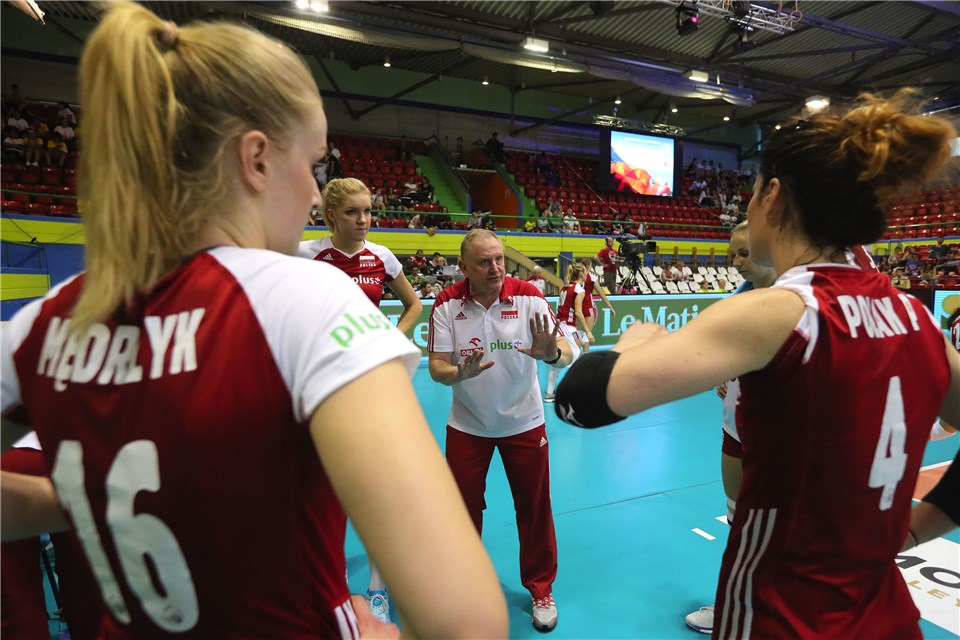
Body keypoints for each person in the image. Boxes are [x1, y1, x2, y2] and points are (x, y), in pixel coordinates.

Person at [0, 5, 507, 639]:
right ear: (257, 159)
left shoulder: (42, 323)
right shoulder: (307, 301)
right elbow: (467, 622)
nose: (316, 193)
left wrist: (91, 502)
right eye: (315, 163)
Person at [556, 91, 959, 638]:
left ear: (772, 197)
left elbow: (577, 402)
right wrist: (915, 531)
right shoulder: (915, 316)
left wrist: (637, 339)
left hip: (782, 614)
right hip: (885, 615)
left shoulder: (782, 312)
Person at [427, 229, 576, 633]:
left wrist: (553, 354)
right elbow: (437, 366)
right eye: (484, 262)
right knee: (462, 512)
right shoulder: (445, 303)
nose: (495, 268)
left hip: (524, 422)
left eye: (498, 260)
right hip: (468, 425)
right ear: (464, 268)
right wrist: (459, 372)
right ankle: (464, 587)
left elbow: (564, 348)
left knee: (534, 507)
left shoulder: (528, 294)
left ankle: (541, 589)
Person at [298, 178, 425, 622]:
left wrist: (389, 338)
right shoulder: (305, 254)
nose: (364, 221)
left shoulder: (381, 256)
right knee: (323, 487)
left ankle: (376, 587)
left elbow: (414, 305)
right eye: (353, 213)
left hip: (373, 383)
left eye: (368, 211)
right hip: (321, 386)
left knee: (376, 487)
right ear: (330, 215)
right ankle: (328, 581)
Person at [684, 220, 777, 635]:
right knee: (738, 525)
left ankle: (772, 610)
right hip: (734, 431)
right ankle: (734, 604)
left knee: (777, 531)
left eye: (743, 253)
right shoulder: (736, 302)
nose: (737, 263)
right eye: (732, 255)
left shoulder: (793, 302)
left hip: (778, 440)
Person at [545, 263, 587, 402]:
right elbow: (579, 313)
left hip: (558, 326)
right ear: (582, 274)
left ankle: (550, 393)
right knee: (576, 358)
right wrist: (587, 331)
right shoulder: (579, 290)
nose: (587, 274)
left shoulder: (565, 288)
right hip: (568, 328)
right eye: (586, 271)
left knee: (558, 358)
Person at [579, 257, 615, 352]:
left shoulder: (577, 277)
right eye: (591, 266)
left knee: (578, 332)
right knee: (587, 333)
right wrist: (610, 307)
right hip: (588, 306)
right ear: (588, 266)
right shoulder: (592, 278)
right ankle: (585, 356)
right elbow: (602, 294)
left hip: (577, 306)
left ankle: (576, 355)